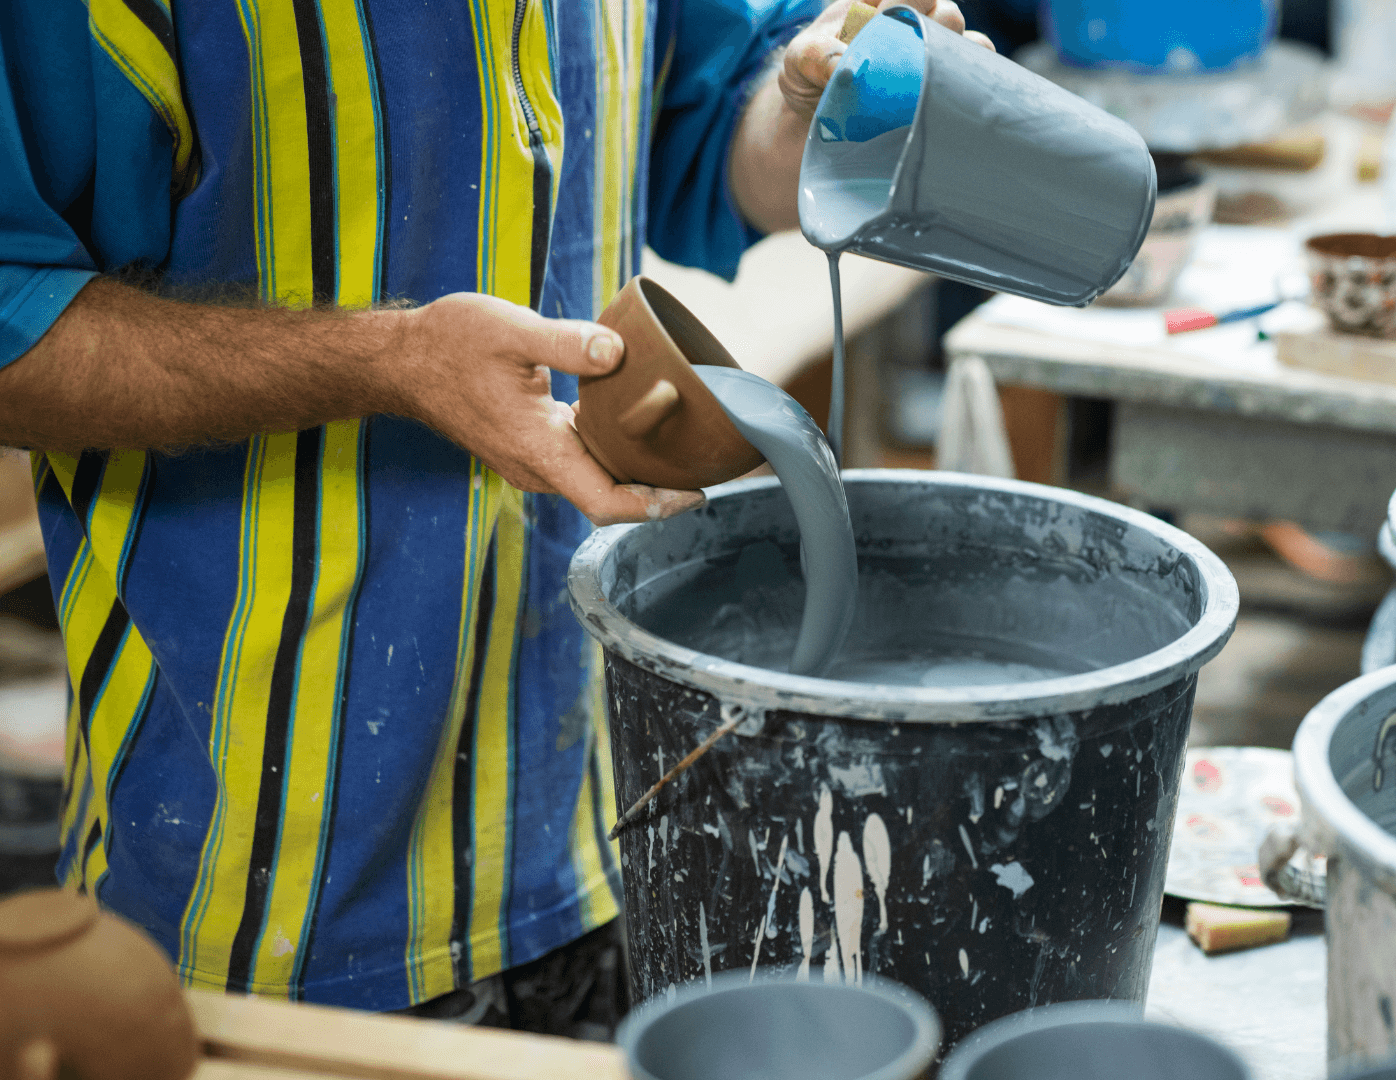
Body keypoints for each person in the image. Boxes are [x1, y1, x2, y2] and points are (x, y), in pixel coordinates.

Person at [0, 0, 989, 1036]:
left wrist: (804, 118)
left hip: (609, 809)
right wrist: (385, 363)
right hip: (270, 885)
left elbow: (710, 135)